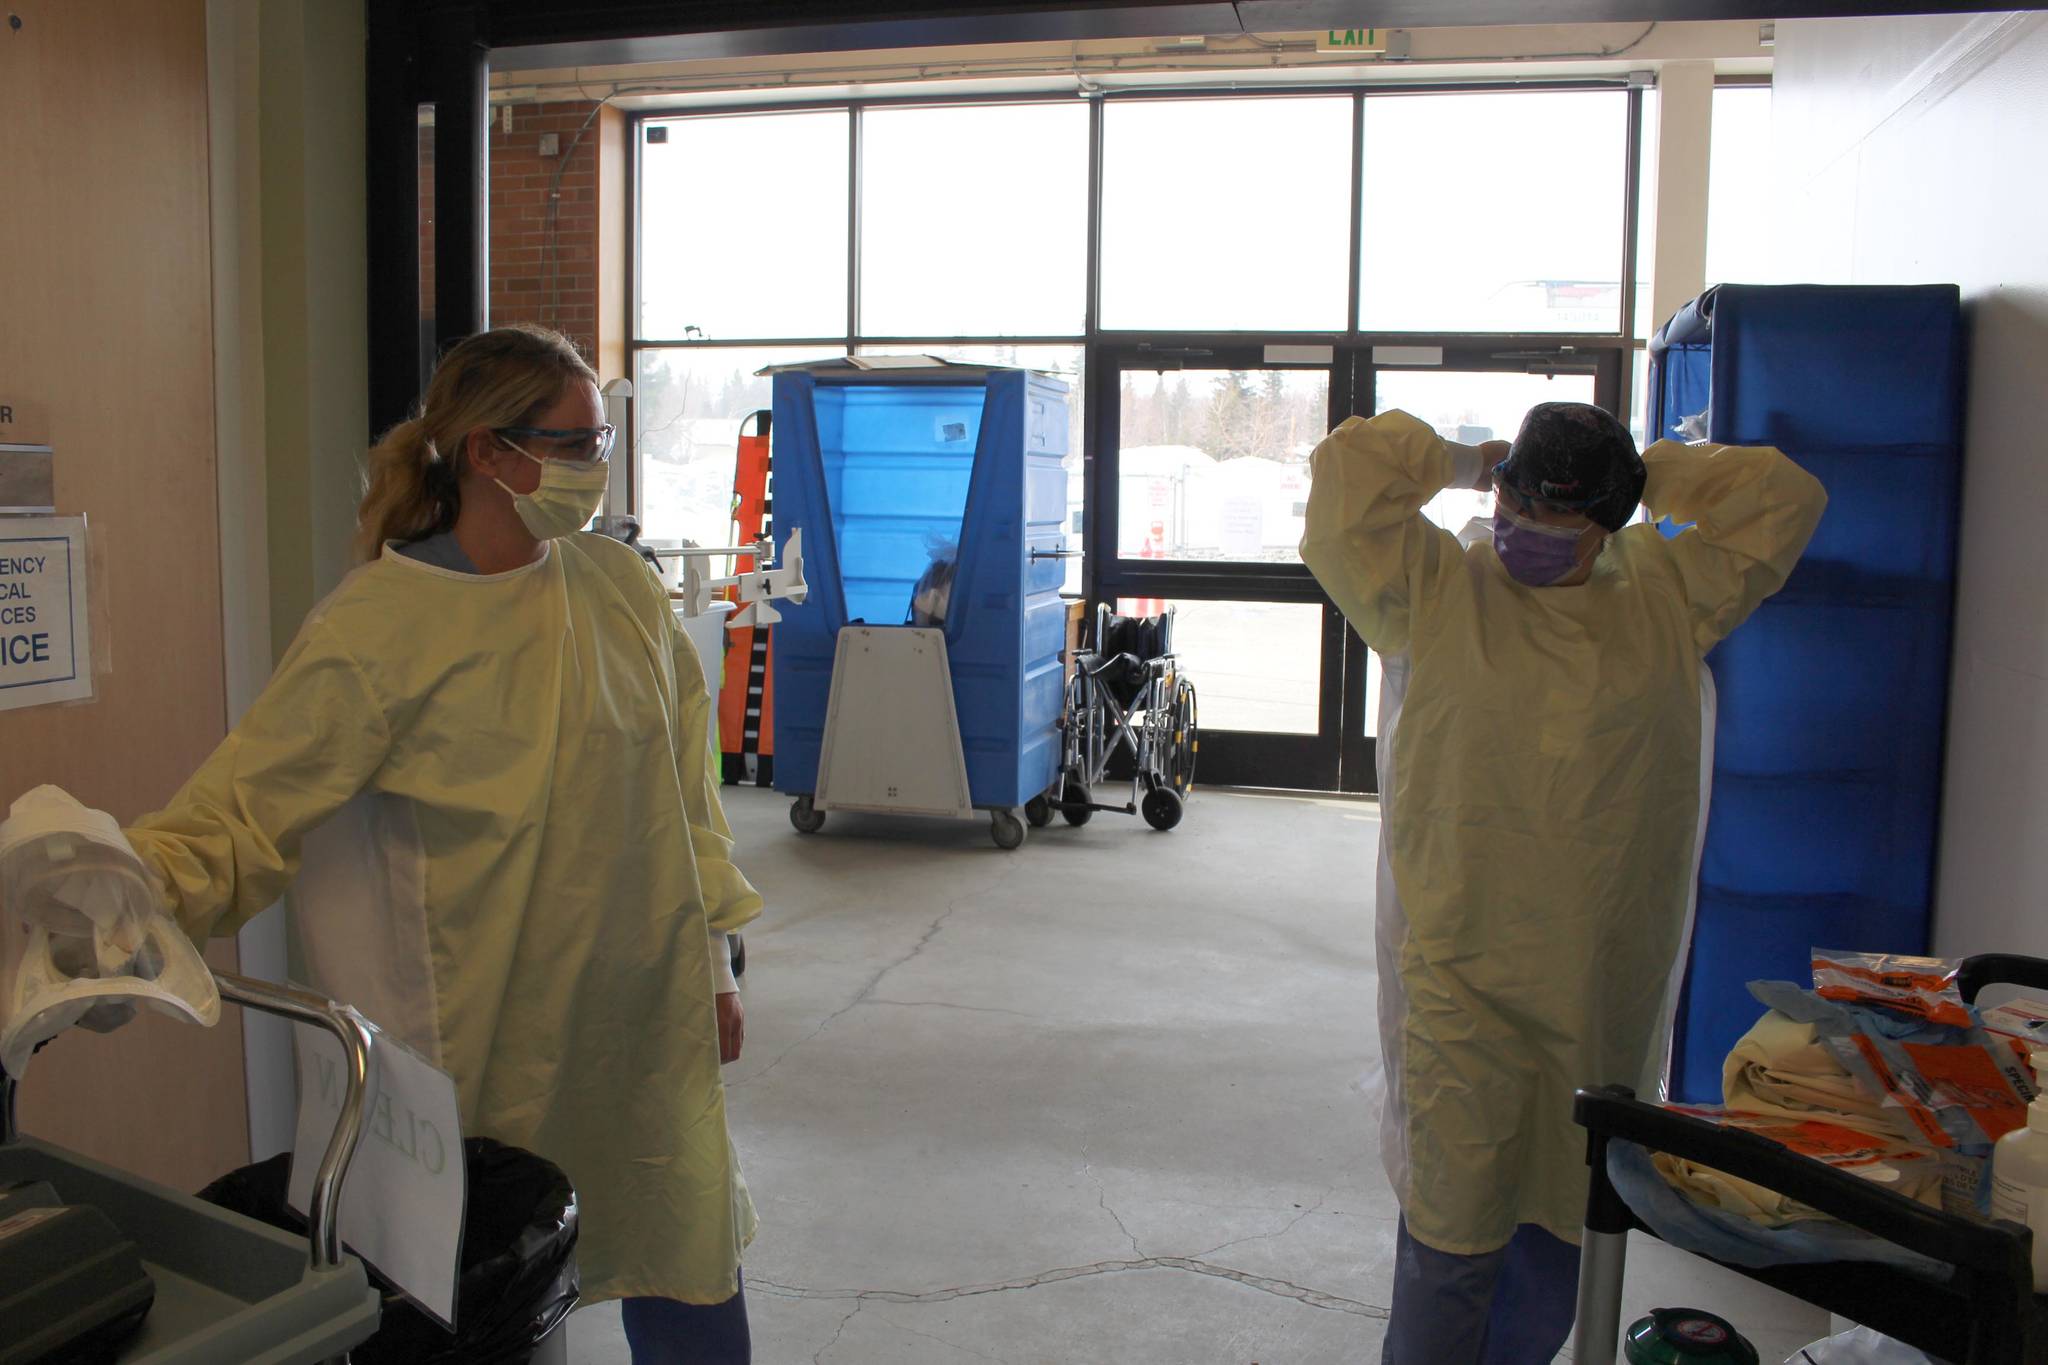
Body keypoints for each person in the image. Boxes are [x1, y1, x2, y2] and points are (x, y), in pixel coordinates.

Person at [121, 325, 762, 1364]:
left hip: (639, 1020)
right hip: (487, 1033)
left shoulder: (618, 591)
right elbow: (241, 814)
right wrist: (116, 900)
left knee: (681, 1241)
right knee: (506, 1290)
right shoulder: (378, 624)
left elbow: (683, 805)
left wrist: (710, 962)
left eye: (600, 440)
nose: (593, 468)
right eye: (571, 444)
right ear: (486, 452)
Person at [1299, 401, 1826, 1364]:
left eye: (1562, 526)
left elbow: (1784, 500)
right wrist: (1466, 456)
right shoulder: (1433, 585)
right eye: (1517, 507)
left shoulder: (1667, 590)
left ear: (1613, 523)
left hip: (1599, 975)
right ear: (1498, 493)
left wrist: (1653, 472)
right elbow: (1344, 484)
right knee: (1454, 1217)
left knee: (1565, 1211)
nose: (1528, 539)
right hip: (1463, 970)